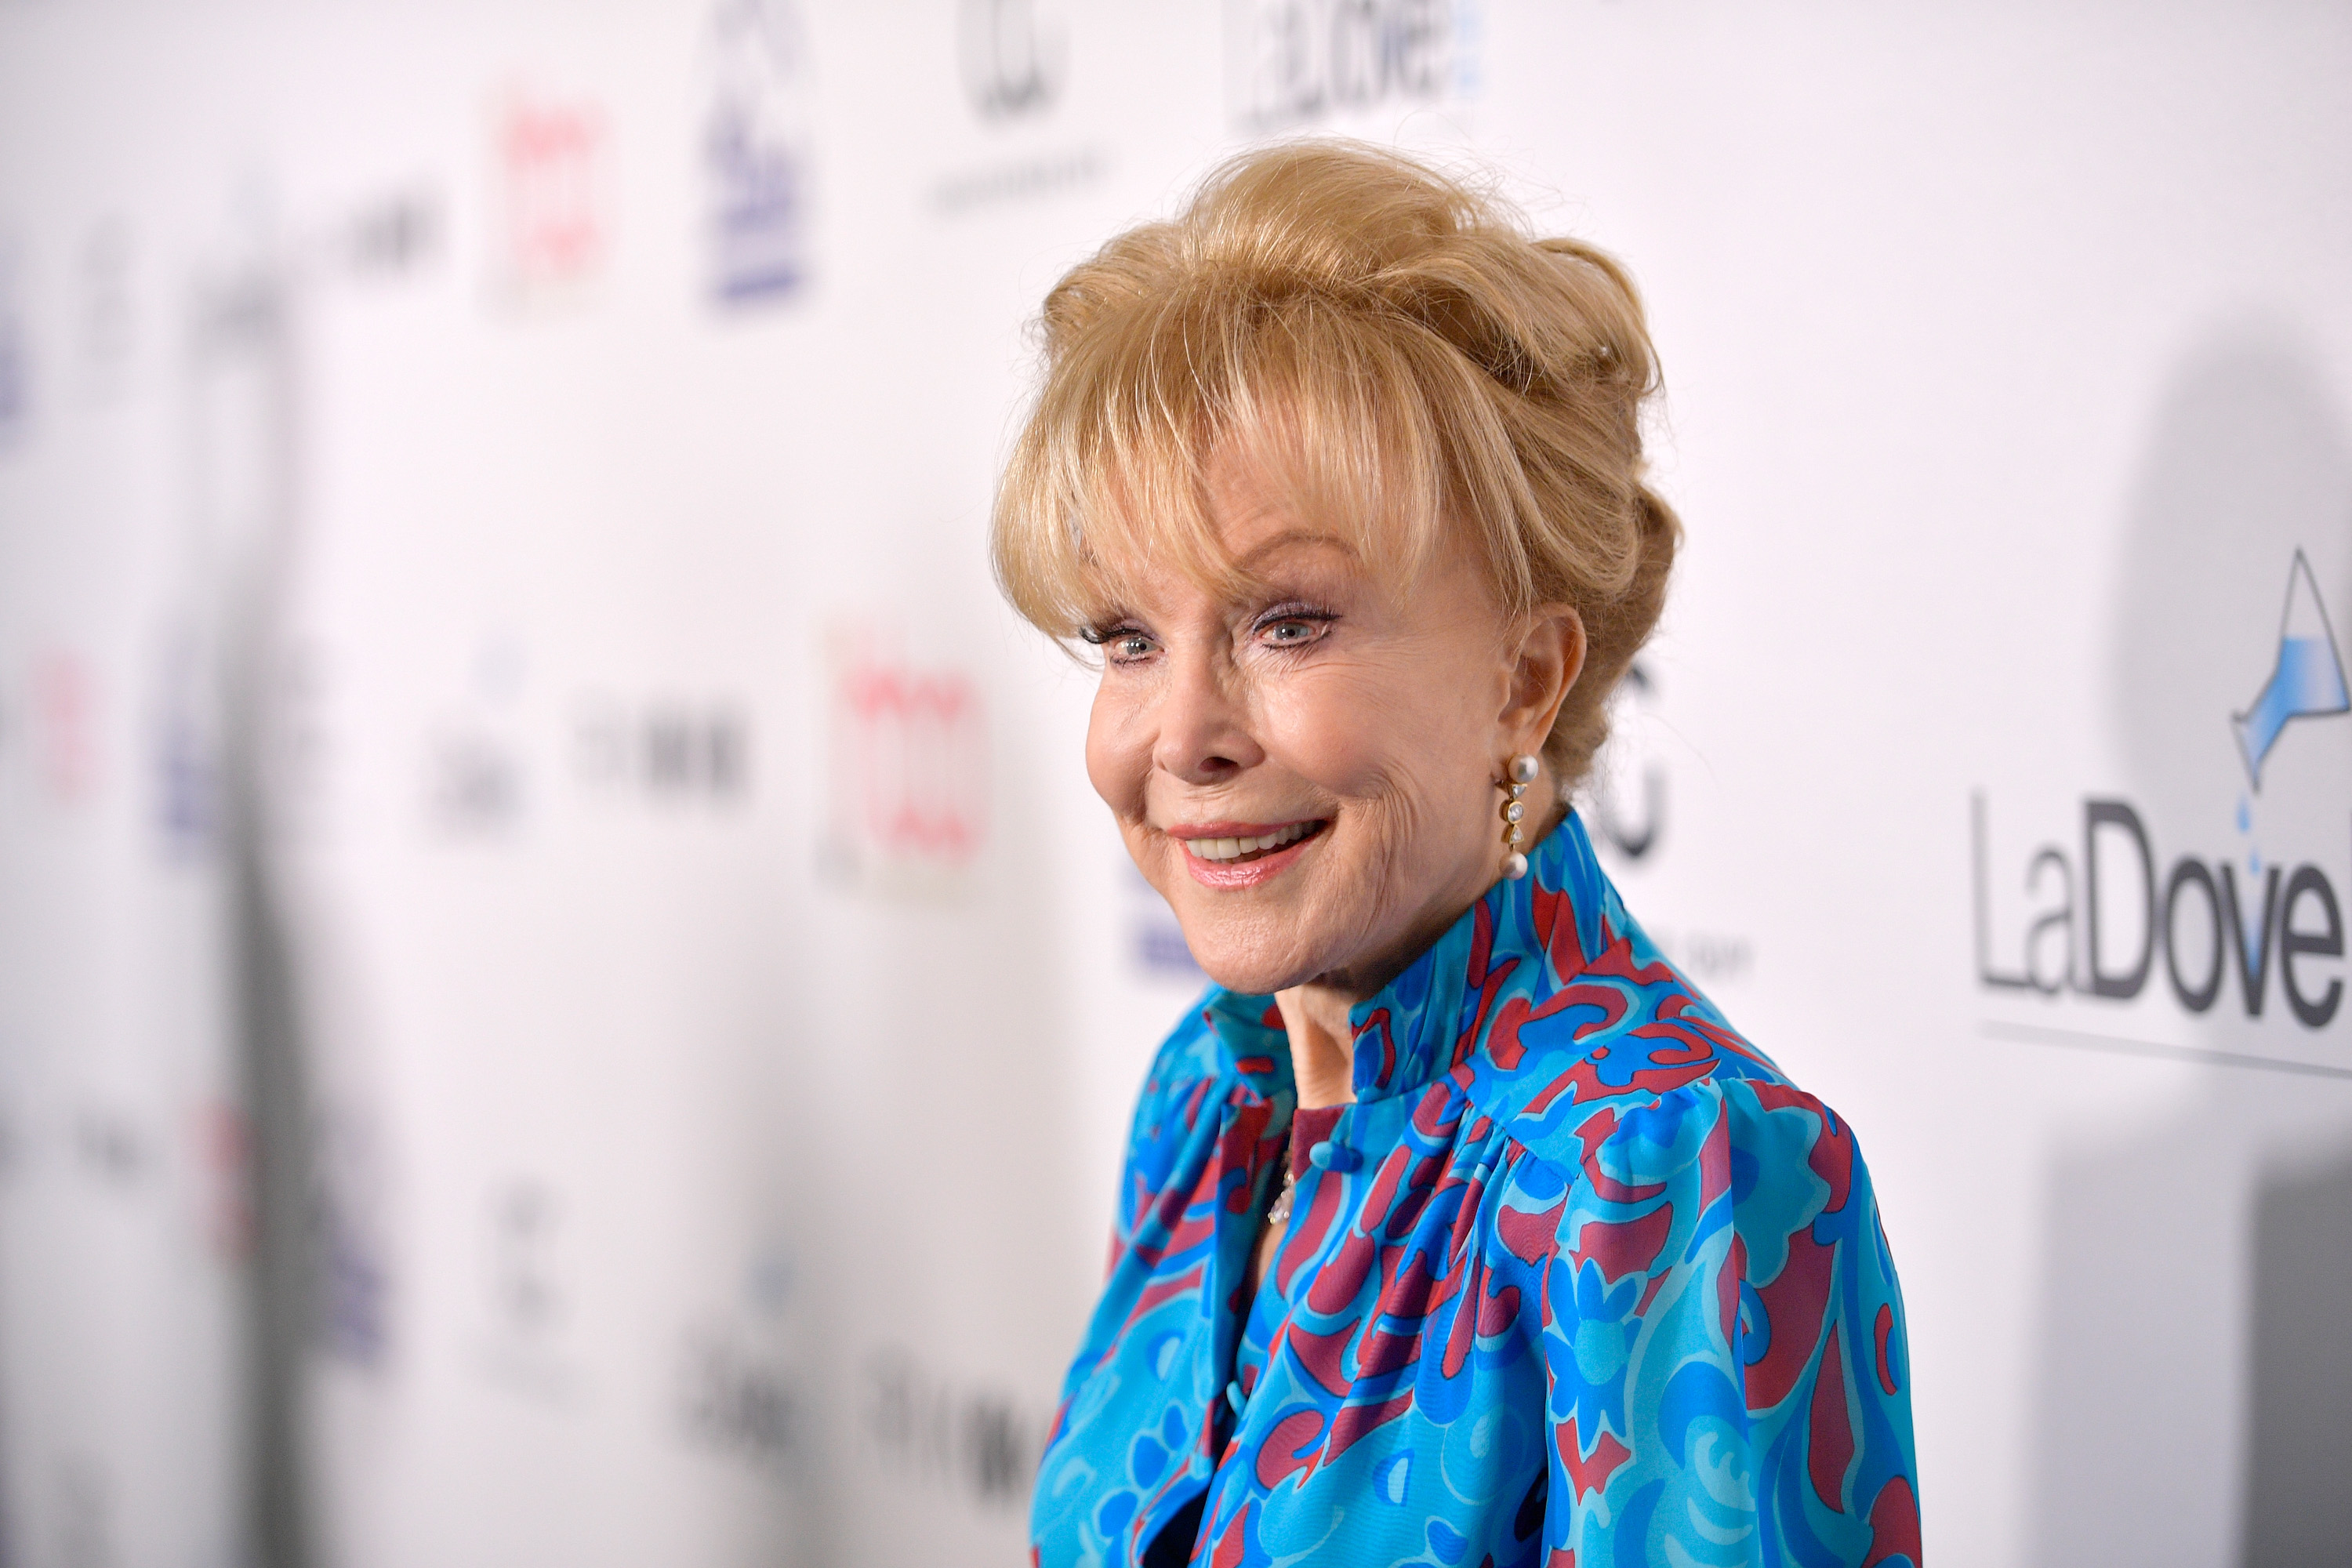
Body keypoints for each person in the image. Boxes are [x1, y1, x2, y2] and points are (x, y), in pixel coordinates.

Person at [991, 140, 1919, 1568]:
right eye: (1127, 636)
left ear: (1524, 680)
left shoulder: (1663, 1164)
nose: (1181, 735)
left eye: (1286, 621)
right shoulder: (1212, 1088)